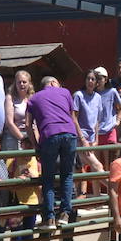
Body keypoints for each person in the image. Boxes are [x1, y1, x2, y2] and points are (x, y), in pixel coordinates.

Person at [25, 75, 78, 225]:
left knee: (48, 178)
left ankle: (49, 218)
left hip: (49, 135)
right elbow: (72, 117)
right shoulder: (66, 92)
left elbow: (28, 125)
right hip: (69, 134)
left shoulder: (33, 99)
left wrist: (36, 145)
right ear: (54, 83)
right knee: (67, 175)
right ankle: (65, 214)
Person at [4, 69, 32, 151]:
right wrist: (23, 139)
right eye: (19, 82)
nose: (21, 84)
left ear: (29, 84)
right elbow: (9, 122)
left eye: (24, 82)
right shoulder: (10, 98)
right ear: (15, 84)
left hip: (30, 135)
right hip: (14, 136)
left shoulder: (33, 98)